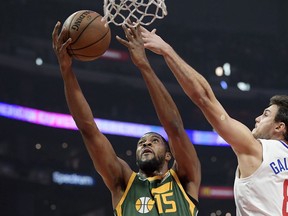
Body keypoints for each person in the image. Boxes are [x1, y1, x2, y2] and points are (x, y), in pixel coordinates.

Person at [52, 21, 201, 215]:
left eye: (154, 140)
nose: (145, 144)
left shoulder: (185, 178)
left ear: (168, 154)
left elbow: (174, 127)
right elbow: (88, 129)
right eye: (141, 143)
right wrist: (66, 70)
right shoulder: (123, 182)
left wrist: (144, 65)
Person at [139, 26, 288, 215]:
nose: (257, 118)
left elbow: (204, 98)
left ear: (279, 127)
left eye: (266, 114)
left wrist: (166, 50)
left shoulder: (257, 149)